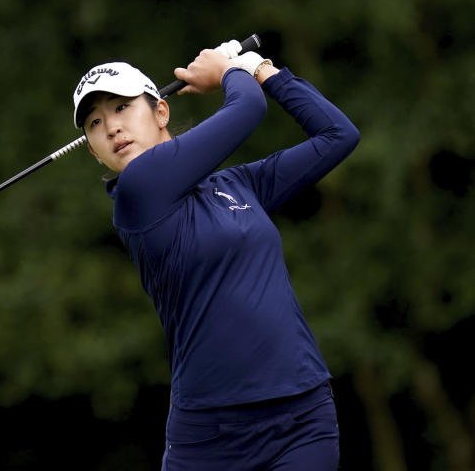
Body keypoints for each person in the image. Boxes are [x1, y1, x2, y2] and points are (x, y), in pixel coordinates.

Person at [72, 41, 361, 470]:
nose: (111, 127)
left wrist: (262, 69)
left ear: (161, 112)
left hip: (300, 416)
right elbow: (247, 109)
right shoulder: (137, 194)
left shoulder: (237, 186)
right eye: (95, 122)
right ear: (94, 150)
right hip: (212, 436)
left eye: (121, 107)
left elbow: (338, 136)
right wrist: (228, 71)